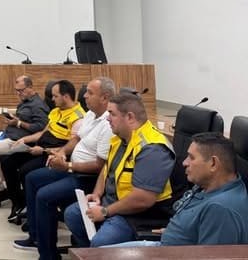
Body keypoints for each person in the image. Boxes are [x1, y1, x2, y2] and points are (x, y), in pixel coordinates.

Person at [13, 77, 116, 259]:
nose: (84, 96)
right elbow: (76, 138)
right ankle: (35, 237)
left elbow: (100, 166)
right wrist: (61, 153)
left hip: (87, 177)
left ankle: (48, 255)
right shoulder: (90, 114)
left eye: (90, 93)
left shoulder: (108, 124)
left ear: (105, 97)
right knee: (32, 178)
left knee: (44, 196)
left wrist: (67, 165)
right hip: (72, 168)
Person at [64, 92, 174, 248]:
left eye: (112, 114)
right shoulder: (120, 138)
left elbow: (142, 200)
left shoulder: (152, 149)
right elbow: (107, 168)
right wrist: (97, 193)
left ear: (129, 117)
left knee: (101, 242)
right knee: (73, 215)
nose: (107, 118)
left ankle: (97, 252)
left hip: (139, 214)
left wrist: (105, 211)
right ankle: (88, 253)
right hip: (113, 202)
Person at [110, 132, 248, 248]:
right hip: (166, 244)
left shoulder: (220, 209)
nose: (184, 163)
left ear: (213, 163)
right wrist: (179, 232)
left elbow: (211, 257)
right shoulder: (208, 185)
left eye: (192, 157)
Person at [0, 79, 84, 214]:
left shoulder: (78, 117)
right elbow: (42, 133)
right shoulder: (56, 111)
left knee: (26, 171)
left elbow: (72, 146)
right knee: (8, 163)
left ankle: (32, 208)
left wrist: (43, 151)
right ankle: (18, 202)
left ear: (65, 97)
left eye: (55, 96)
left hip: (53, 153)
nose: (52, 99)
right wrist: (24, 139)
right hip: (41, 147)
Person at [0, 75, 49, 197]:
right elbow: (25, 120)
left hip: (20, 140)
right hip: (9, 135)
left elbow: (40, 128)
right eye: (17, 90)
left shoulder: (38, 105)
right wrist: (15, 120)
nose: (18, 93)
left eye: (21, 90)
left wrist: (18, 123)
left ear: (30, 87)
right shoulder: (25, 102)